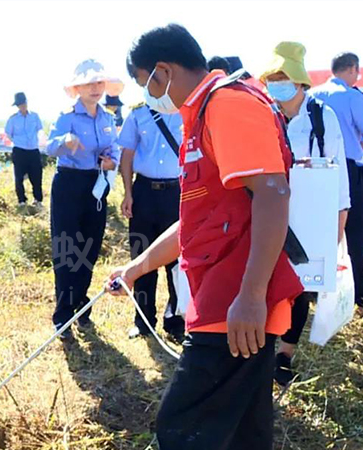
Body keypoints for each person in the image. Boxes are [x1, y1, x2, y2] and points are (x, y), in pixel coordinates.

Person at [109, 24, 303, 449]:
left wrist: (251, 295)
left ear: (163, 71)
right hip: (228, 302)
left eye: (147, 85)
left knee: (182, 429)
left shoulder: (227, 105)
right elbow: (200, 222)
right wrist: (138, 267)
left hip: (233, 307)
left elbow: (272, 195)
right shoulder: (202, 115)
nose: (150, 96)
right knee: (241, 437)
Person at [260, 42, 351, 385]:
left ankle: (284, 355)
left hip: (310, 216)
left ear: (299, 81)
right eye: (272, 77)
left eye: (283, 77)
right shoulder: (264, 116)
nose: (277, 84)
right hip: (270, 211)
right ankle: (261, 347)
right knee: (267, 279)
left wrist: (338, 225)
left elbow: (339, 174)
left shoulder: (321, 117)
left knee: (300, 286)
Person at [45, 59, 122, 342]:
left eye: (99, 83)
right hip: (68, 183)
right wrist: (65, 141)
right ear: (77, 87)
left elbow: (113, 147)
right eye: (90, 83)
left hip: (96, 184)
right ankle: (63, 313)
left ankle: (80, 300)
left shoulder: (107, 117)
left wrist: (111, 161)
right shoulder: (67, 116)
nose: (95, 88)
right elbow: (49, 147)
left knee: (89, 247)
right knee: (67, 247)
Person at [117, 93, 185, 343]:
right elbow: (127, 155)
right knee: (141, 257)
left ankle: (175, 321)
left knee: (177, 261)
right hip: (144, 191)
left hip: (178, 192)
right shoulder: (138, 113)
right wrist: (128, 192)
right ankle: (143, 322)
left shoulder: (185, 108)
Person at [310, 52, 363, 308]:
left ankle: (314, 287)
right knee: (353, 232)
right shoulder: (351, 96)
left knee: (318, 230)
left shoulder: (312, 94)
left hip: (313, 172)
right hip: (348, 171)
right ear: (352, 68)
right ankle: (356, 291)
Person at [4, 92, 44, 207]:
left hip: (33, 150)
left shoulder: (35, 116)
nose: (21, 106)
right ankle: (21, 200)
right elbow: (8, 133)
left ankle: (38, 200)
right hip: (19, 150)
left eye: (23, 104)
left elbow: (39, 130)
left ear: (26, 103)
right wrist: (18, 141)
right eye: (19, 105)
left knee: (36, 176)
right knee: (19, 177)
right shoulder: (13, 119)